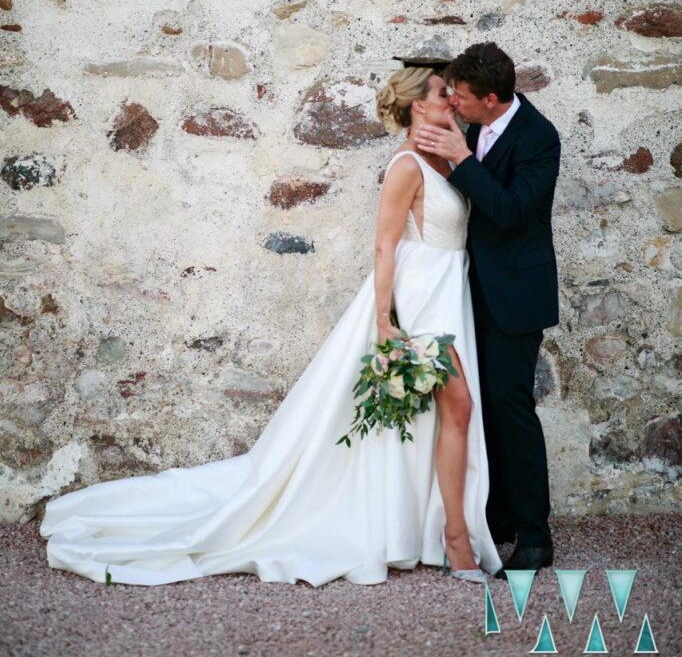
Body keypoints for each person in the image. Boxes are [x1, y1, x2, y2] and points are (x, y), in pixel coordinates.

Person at [39, 67, 503, 586]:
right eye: (444, 94)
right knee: (458, 406)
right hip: (419, 300)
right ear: (419, 104)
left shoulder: (450, 154)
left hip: (448, 289)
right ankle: (456, 539)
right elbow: (384, 246)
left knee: (449, 414)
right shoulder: (406, 165)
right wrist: (383, 321)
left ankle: (435, 528)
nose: (454, 101)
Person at [415, 42, 560, 579]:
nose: (453, 102)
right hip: (468, 290)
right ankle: (494, 517)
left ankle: (536, 537)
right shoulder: (472, 124)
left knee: (512, 407)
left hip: (517, 297)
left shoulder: (539, 138)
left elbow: (510, 212)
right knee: (478, 406)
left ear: (493, 99)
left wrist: (459, 158)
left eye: (462, 97)